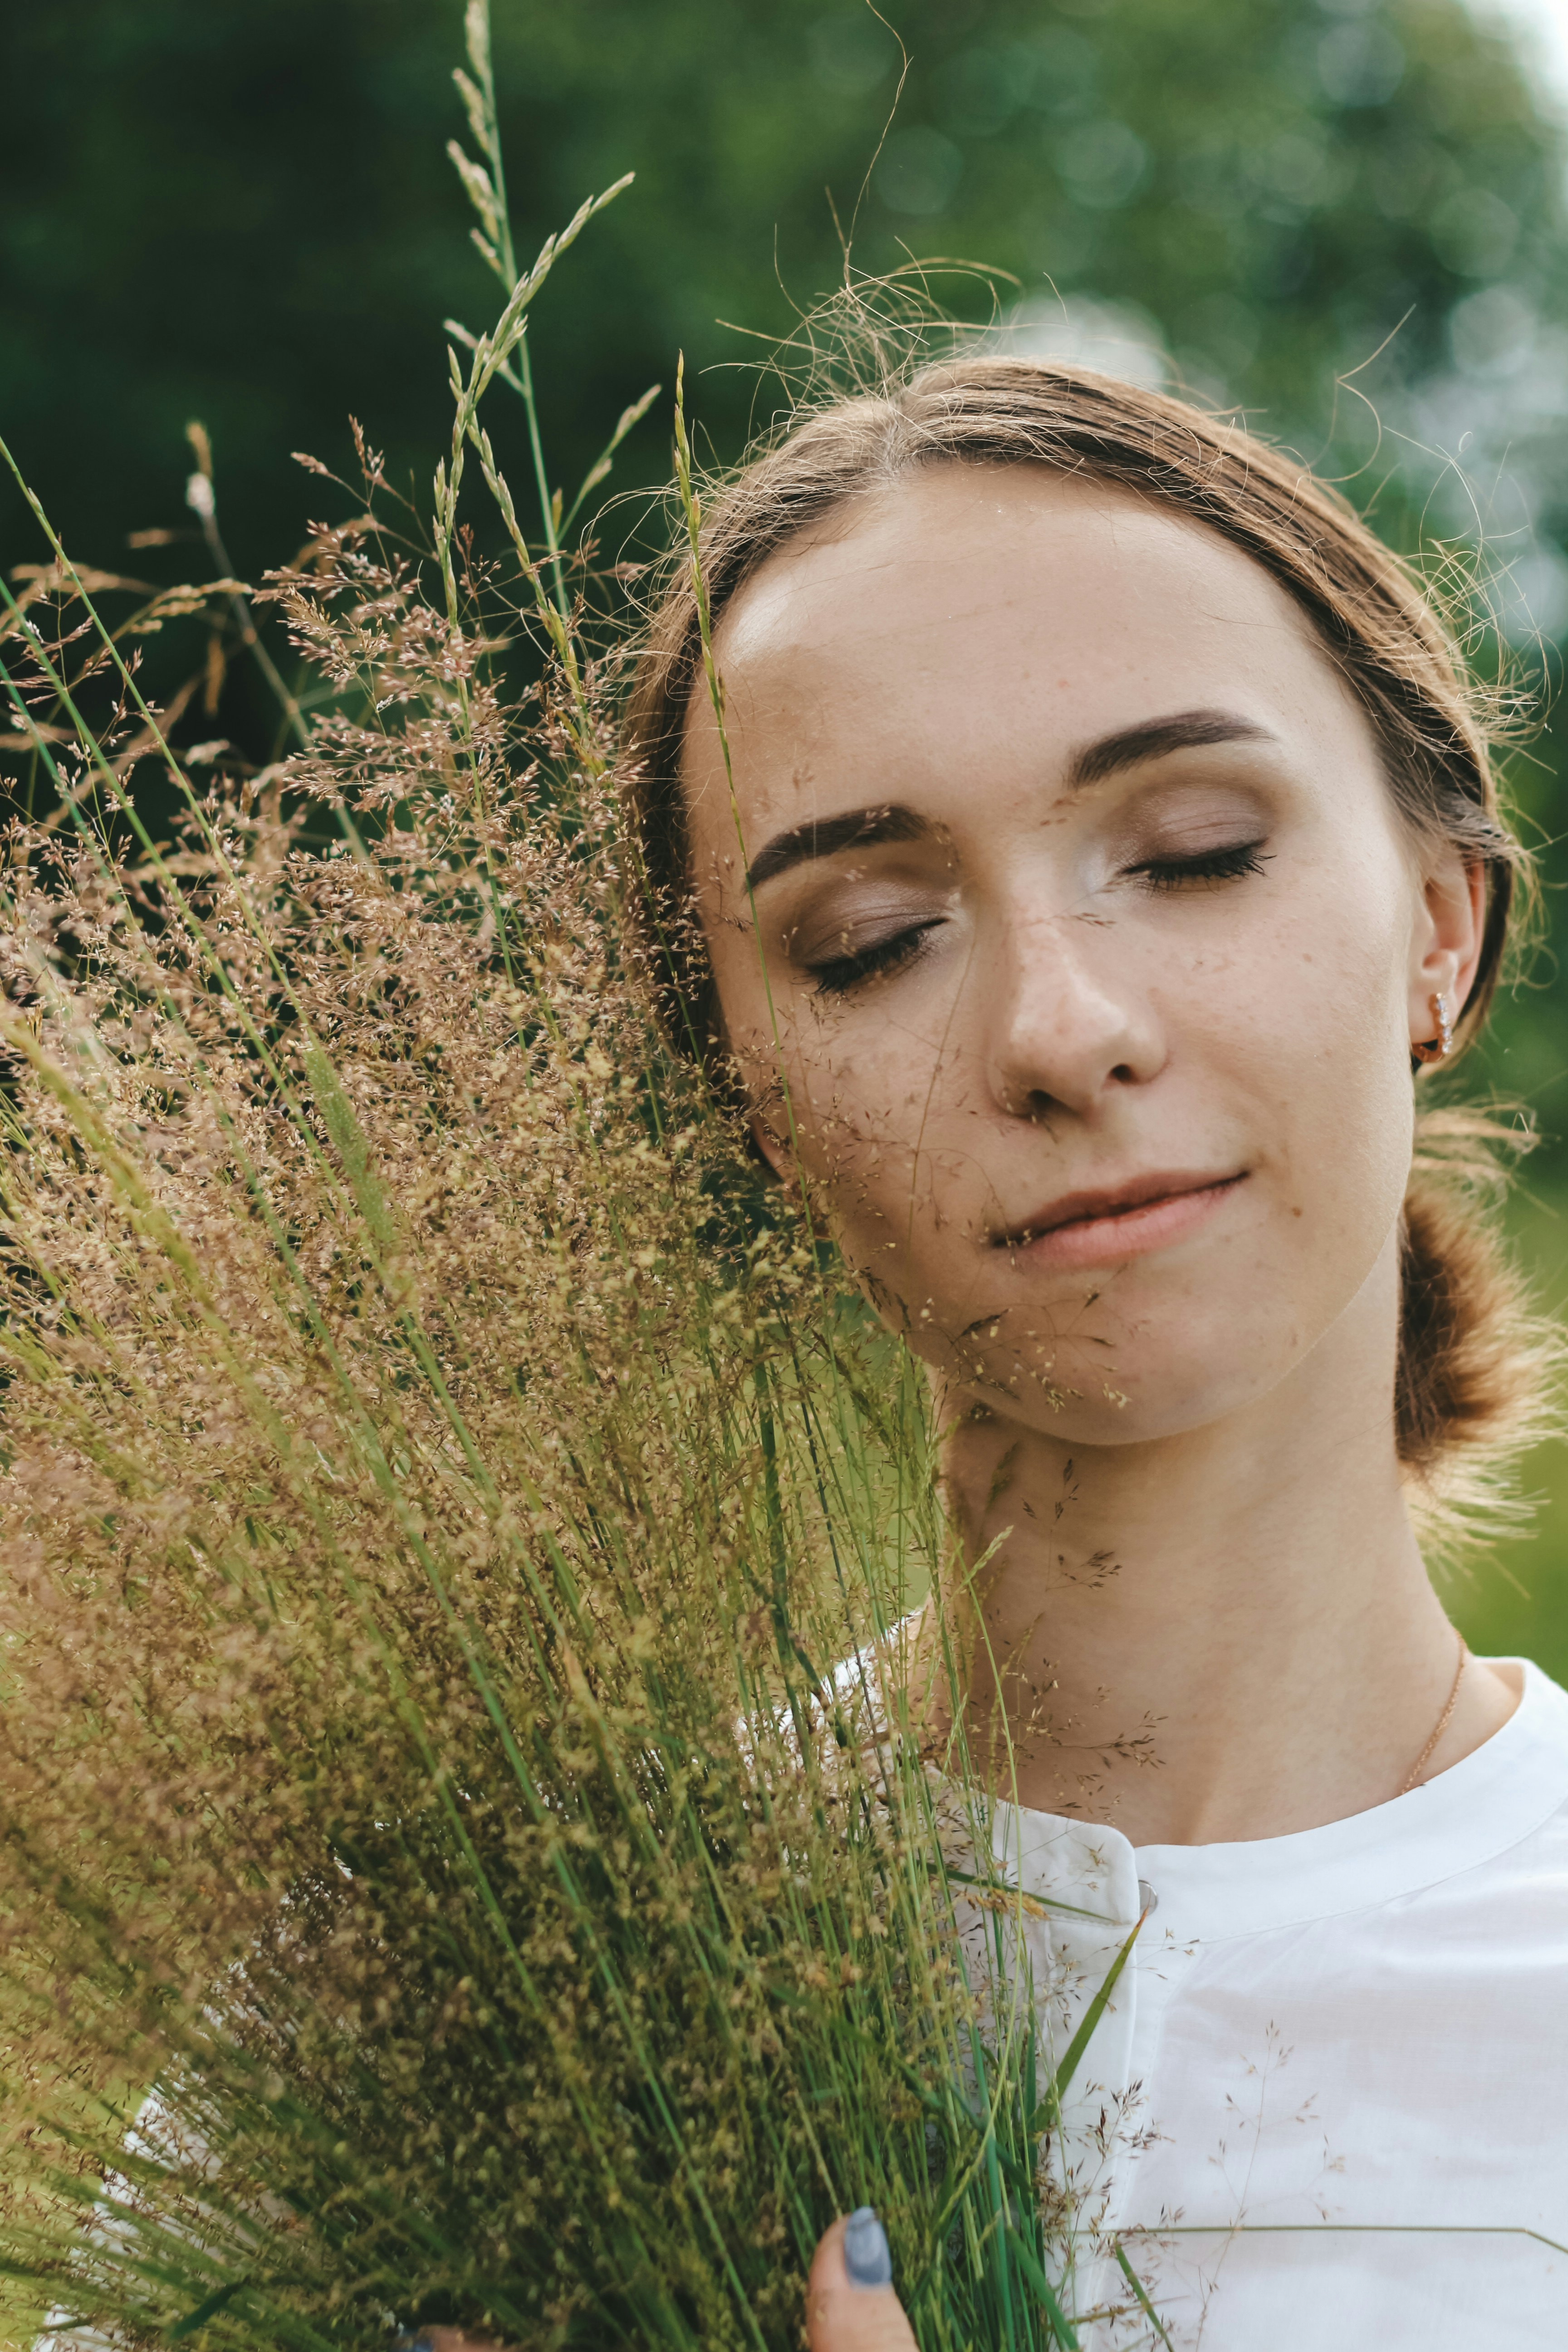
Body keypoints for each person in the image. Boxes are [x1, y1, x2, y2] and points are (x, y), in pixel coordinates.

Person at [619, 358, 1568, 2348]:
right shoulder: (547, 1970)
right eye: (870, 936)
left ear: (1442, 925)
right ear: (743, 1107)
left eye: (1199, 848)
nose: (1061, 1029)